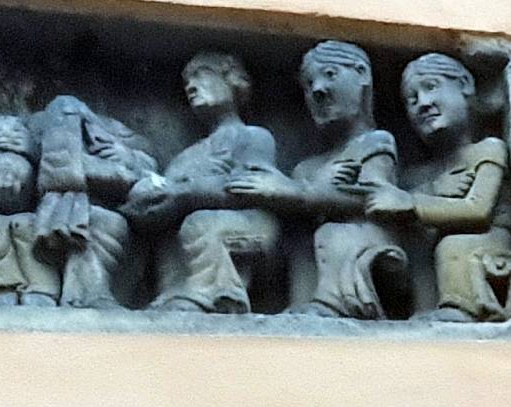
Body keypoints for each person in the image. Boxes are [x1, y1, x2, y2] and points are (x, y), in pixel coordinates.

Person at [225, 41, 407, 319]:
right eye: (309, 85)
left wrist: (294, 192)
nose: (318, 90)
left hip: (367, 247)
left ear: (362, 74)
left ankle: (334, 302)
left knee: (334, 233)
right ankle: (301, 304)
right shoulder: (306, 168)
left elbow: (371, 198)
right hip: (318, 260)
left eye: (330, 74)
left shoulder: (375, 142)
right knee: (297, 235)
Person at [347, 54, 511, 322]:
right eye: (412, 100)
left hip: (487, 243)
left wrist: (412, 203)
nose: (423, 103)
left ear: (464, 85)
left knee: (452, 245)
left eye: (431, 87)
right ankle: (423, 309)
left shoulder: (488, 149)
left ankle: (461, 307)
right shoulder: (418, 176)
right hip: (433, 264)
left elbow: (478, 210)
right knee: (414, 239)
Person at [122, 52, 279, 313]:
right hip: (191, 235)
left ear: (232, 80)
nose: (191, 86)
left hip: (251, 224)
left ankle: (216, 293)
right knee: (169, 231)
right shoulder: (185, 157)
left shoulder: (253, 136)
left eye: (201, 75)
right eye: (187, 82)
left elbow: (250, 187)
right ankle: (173, 292)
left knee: (200, 222)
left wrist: (185, 193)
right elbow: (167, 192)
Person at [28, 95, 157, 308]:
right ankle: (86, 294)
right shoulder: (63, 111)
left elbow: (150, 172)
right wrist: (121, 172)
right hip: (70, 206)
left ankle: (93, 293)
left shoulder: (119, 134)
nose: (97, 140)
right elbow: (59, 169)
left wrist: (129, 159)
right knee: (98, 221)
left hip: (127, 216)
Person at [0, 116, 60, 305]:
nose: (8, 135)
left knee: (30, 227)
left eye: (15, 131)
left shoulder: (36, 151)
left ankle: (41, 287)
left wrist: (32, 150)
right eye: (1, 131)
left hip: (30, 210)